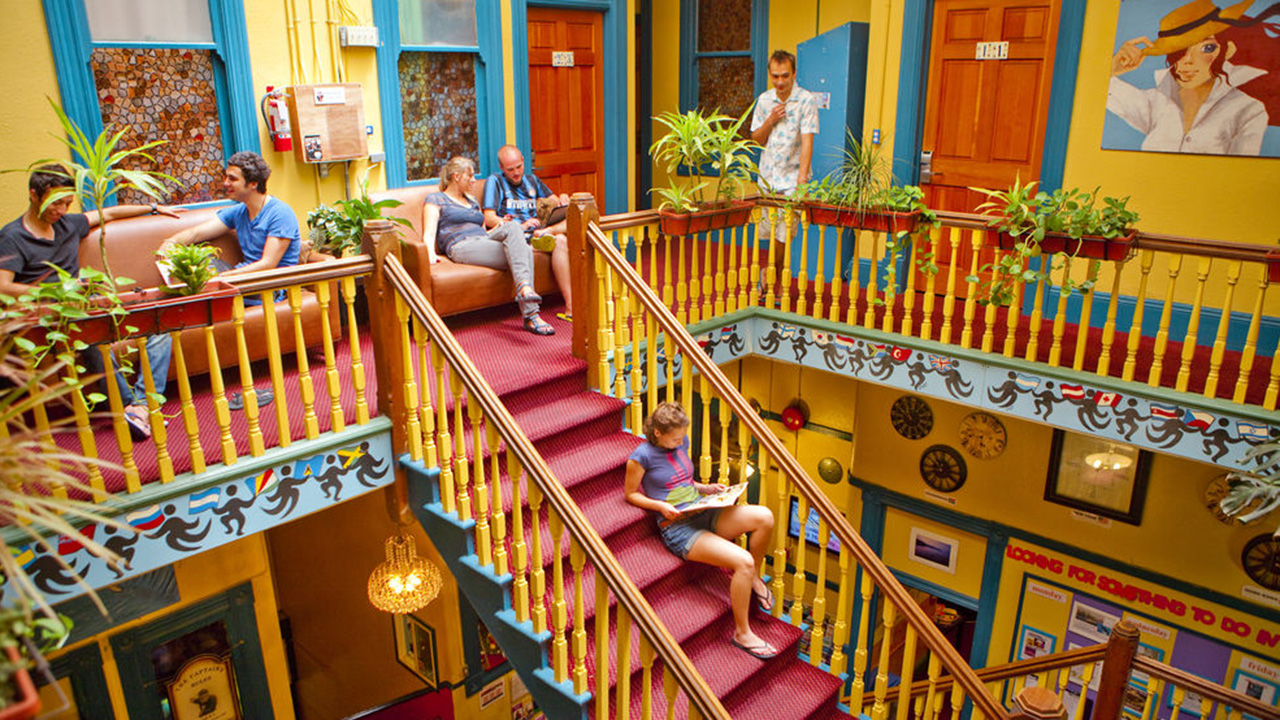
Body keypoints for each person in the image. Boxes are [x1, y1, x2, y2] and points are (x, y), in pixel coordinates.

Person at [0, 165, 182, 440]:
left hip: (88, 304)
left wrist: (154, 207)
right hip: (49, 314)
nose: (60, 210)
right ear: (34, 195)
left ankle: (141, 407)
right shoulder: (13, 236)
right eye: (55, 202)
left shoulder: (67, 224)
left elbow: (107, 213)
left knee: (158, 326)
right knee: (90, 337)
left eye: (66, 202)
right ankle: (128, 408)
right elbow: (3, 286)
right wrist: (61, 290)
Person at [624, 402, 778, 659]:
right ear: (659, 434)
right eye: (675, 438)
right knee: (743, 561)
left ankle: (754, 577)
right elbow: (630, 494)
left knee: (765, 517)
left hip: (703, 510)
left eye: (683, 436)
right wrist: (660, 506)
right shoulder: (641, 456)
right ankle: (742, 633)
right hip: (679, 526)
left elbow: (684, 481)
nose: (681, 441)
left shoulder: (680, 443)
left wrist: (706, 489)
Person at [157, 150, 300, 409]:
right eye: (226, 177)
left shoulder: (280, 213)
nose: (225, 183)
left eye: (232, 179)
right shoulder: (239, 212)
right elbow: (197, 233)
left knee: (205, 273)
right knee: (198, 258)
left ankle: (179, 314)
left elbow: (268, 264)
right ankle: (174, 317)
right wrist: (170, 243)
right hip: (241, 280)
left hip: (269, 286)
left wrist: (222, 277)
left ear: (253, 183)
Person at [1108, 0, 1278, 155]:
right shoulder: (1156, 102)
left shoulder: (1247, 111)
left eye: (1207, 48)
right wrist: (1111, 69)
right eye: (1178, 51)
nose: (1188, 62)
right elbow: (1101, 91)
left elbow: (1242, 175)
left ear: (1227, 51)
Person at [423, 156, 555, 336]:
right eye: (469, 176)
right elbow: (429, 232)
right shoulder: (436, 199)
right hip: (460, 245)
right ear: (456, 177)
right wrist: (428, 253)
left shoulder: (472, 201)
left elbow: (483, 232)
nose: (473, 181)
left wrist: (502, 226)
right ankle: (531, 313)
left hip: (482, 240)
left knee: (513, 227)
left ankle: (525, 290)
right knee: (524, 251)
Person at [482, 145, 574, 319]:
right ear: (501, 168)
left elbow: (553, 199)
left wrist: (561, 199)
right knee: (556, 240)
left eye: (519, 167)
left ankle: (571, 308)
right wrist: (520, 224)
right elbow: (489, 217)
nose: (516, 173)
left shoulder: (532, 180)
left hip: (537, 233)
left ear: (523, 161)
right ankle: (545, 233)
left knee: (563, 236)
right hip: (516, 237)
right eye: (510, 169)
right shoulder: (495, 182)